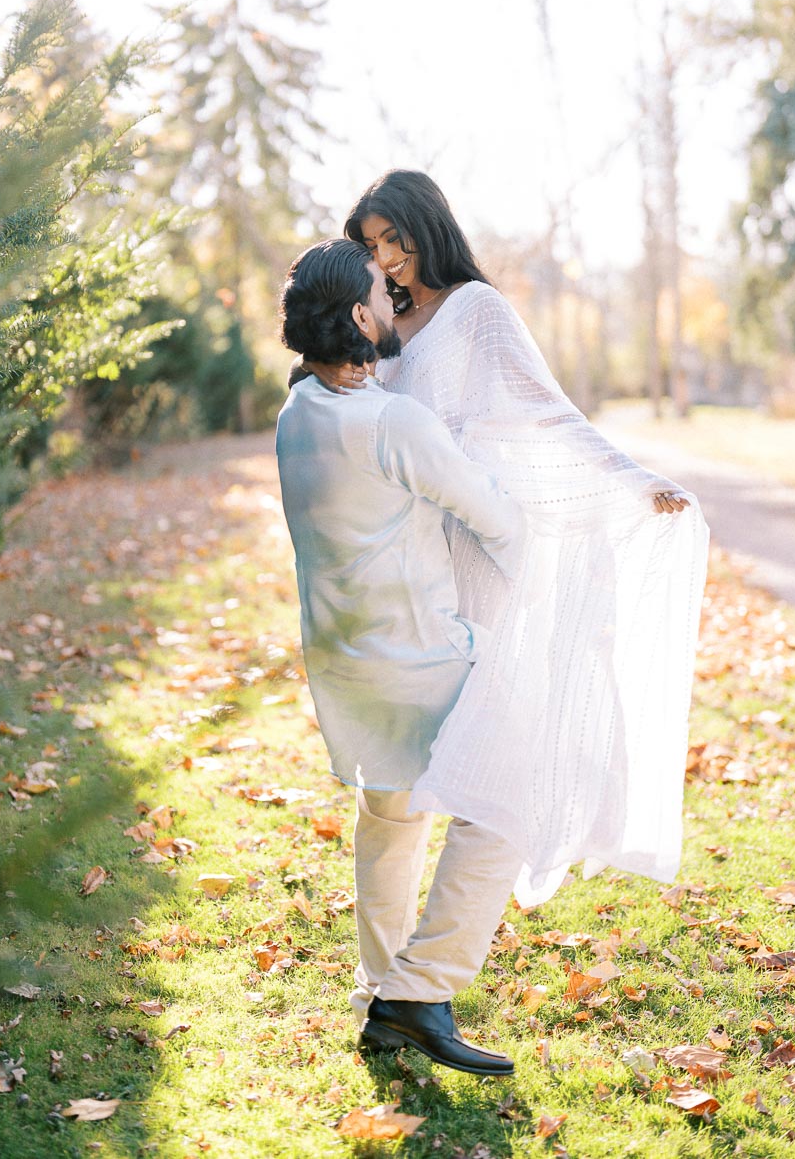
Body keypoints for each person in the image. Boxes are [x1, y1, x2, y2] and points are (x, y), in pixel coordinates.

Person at [299, 169, 710, 908]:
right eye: (372, 246)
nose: (387, 259)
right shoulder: (378, 326)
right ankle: (401, 971)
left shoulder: (475, 309)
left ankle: (448, 935)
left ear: (428, 227)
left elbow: (545, 409)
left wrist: (632, 476)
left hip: (479, 540)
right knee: (402, 774)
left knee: (491, 734)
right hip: (407, 554)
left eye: (395, 239)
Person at [276, 237, 530, 1077]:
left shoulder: (298, 411)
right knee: (505, 803)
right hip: (418, 661)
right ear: (358, 317)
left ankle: (377, 996)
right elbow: (496, 518)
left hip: (344, 666)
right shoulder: (394, 421)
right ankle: (419, 991)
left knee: (391, 818)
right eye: (383, 294)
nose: (396, 303)